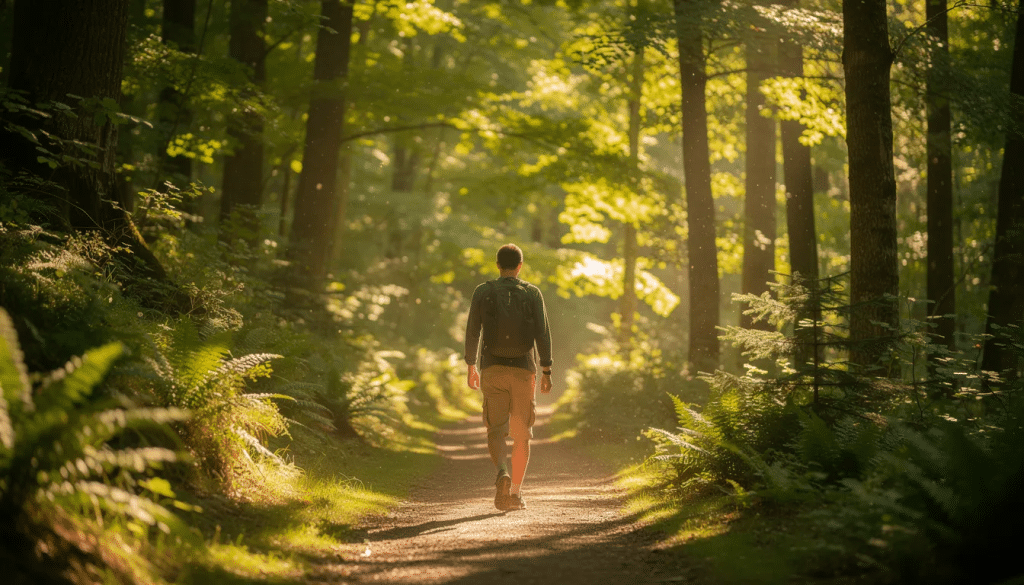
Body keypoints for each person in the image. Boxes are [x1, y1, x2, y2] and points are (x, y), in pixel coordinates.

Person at [464, 243, 553, 511]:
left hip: (492, 368)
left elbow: (472, 331)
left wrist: (471, 366)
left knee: (496, 429)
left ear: (497, 265)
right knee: (522, 434)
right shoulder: (532, 293)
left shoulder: (483, 291)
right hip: (524, 370)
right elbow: (543, 334)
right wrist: (547, 369)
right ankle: (514, 493)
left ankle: (502, 470)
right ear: (520, 266)